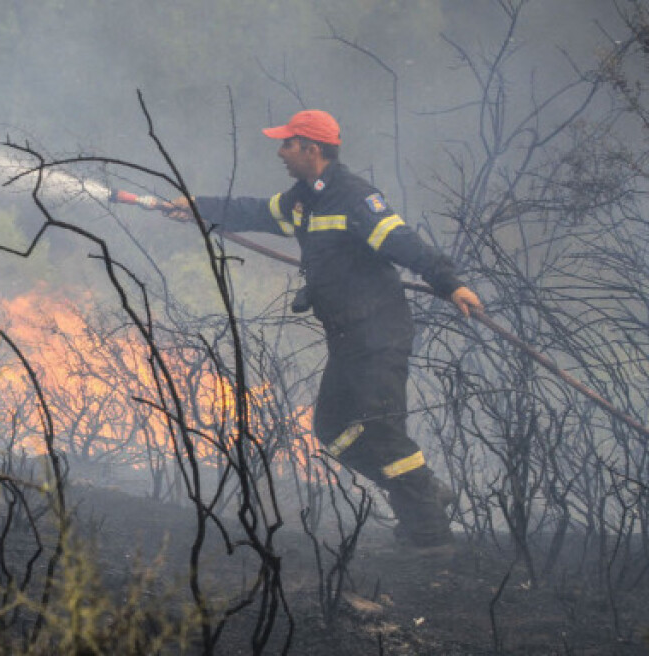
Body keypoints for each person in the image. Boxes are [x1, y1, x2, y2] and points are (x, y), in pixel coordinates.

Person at [171, 109, 483, 548]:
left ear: (311, 149)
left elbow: (403, 242)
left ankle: (431, 537)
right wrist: (198, 207)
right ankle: (426, 492)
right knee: (333, 431)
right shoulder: (303, 200)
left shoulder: (356, 199)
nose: (280, 152)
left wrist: (452, 285)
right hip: (347, 338)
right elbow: (256, 211)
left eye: (287, 144)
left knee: (383, 430)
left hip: (380, 335)